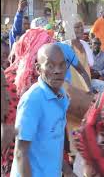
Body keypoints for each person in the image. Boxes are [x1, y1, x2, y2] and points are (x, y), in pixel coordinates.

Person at [9, 43, 76, 177]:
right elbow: (20, 153)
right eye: (50, 65)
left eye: (62, 65)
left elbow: (50, 143)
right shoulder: (33, 100)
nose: (57, 70)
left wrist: (67, 170)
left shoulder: (61, 96)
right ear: (38, 69)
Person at [63, 14, 93, 93]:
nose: (80, 29)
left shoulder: (85, 44)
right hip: (72, 89)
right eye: (76, 27)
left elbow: (91, 63)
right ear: (69, 29)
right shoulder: (66, 46)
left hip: (86, 86)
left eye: (81, 26)